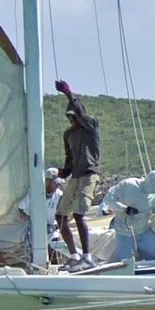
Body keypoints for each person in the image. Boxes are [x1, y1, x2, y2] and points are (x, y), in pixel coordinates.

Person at [55, 80, 101, 266]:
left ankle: (87, 256)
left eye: (74, 116)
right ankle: (74, 254)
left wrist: (69, 94)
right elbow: (69, 158)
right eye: (70, 117)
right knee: (60, 215)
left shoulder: (91, 126)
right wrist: (62, 173)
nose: (72, 120)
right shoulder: (68, 134)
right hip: (75, 175)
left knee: (79, 213)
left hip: (89, 174)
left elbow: (82, 115)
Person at [101, 170, 155, 262]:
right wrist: (125, 209)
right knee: (124, 263)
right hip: (124, 233)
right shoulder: (128, 184)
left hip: (144, 231)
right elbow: (108, 198)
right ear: (150, 181)